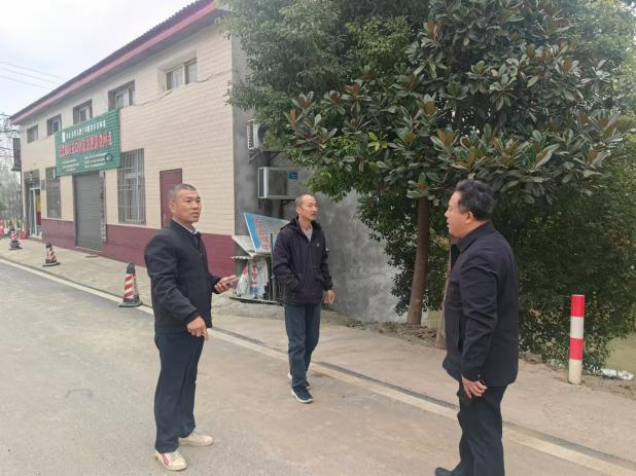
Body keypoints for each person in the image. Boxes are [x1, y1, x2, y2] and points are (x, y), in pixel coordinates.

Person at [144, 183, 237, 471]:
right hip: (176, 327)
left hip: (195, 325)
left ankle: (184, 429)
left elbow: (196, 277)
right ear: (172, 206)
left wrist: (216, 283)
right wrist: (189, 316)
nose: (195, 205)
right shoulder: (164, 240)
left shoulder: (193, 237)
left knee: (188, 380)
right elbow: (164, 287)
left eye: (198, 200)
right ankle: (164, 446)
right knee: (172, 384)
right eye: (188, 201)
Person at [435, 180, 519, 476]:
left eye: (450, 208)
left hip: (482, 369)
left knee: (483, 436)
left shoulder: (480, 256)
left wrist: (470, 371)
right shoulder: (490, 243)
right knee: (473, 424)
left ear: (468, 215)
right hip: (489, 362)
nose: (446, 214)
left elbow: (481, 320)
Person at [273, 193, 335, 404]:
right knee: (297, 342)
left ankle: (296, 370)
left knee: (312, 339)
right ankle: (298, 385)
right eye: (309, 205)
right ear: (299, 209)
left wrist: (328, 286)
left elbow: (322, 262)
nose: (314, 209)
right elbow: (279, 266)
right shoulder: (287, 235)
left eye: (315, 205)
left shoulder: (318, 234)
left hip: (314, 296)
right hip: (295, 298)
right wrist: (296, 285)